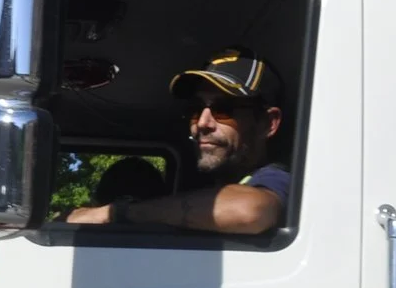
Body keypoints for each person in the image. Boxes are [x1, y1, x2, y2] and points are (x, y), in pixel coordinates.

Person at [65, 50, 289, 235]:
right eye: (195, 109)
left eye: (224, 110)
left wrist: (113, 213)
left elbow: (251, 210)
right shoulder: (204, 191)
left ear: (268, 123)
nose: (202, 123)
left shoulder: (277, 179)